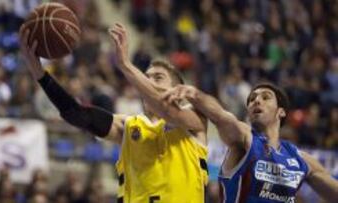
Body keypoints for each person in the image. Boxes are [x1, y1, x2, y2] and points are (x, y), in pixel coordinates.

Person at [20, 23, 208, 203]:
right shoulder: (129, 126)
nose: (147, 82)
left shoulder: (194, 118)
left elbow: (166, 108)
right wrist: (39, 74)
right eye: (145, 77)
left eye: (158, 78)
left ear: (178, 90)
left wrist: (125, 65)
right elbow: (76, 114)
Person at [163, 83, 338, 202]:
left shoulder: (301, 160)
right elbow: (220, 116)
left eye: (265, 97)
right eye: (252, 98)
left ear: (281, 112)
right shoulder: (245, 139)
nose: (256, 100)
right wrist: (194, 93)